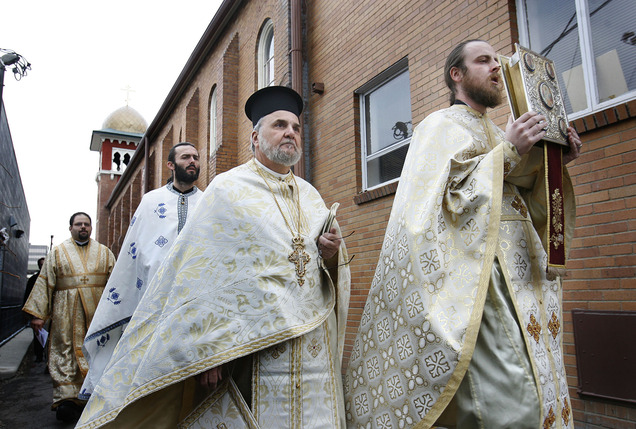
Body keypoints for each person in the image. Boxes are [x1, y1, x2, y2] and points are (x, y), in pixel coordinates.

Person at [77, 86, 351, 429]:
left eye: (296, 127)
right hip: (255, 345)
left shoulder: (311, 196)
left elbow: (325, 271)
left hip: (313, 348)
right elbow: (200, 275)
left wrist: (329, 255)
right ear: (255, 136)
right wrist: (205, 352)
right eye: (280, 125)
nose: (290, 133)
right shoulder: (227, 189)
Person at [345, 39, 582, 428]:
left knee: (541, 386)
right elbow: (439, 203)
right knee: (511, 398)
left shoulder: (496, 130)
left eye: (497, 60)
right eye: (483, 60)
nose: (495, 68)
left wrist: (555, 162)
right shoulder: (438, 126)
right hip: (481, 283)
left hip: (524, 280)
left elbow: (523, 194)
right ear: (457, 75)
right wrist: (507, 152)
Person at [79, 142, 203, 401]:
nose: (192, 161)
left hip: (193, 302)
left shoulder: (206, 202)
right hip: (151, 301)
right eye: (185, 157)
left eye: (196, 157)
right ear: (171, 165)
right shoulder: (151, 202)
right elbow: (133, 253)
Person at [23, 213, 115, 423]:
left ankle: (94, 397)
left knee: (96, 351)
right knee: (65, 351)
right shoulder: (58, 253)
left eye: (86, 224)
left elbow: (116, 283)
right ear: (70, 227)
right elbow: (46, 282)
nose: (83, 227)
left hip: (97, 314)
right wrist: (38, 315)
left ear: (91, 228)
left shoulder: (105, 253)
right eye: (78, 224)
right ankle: (67, 400)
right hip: (66, 314)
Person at [23, 257, 46, 362]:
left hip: (48, 312)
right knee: (38, 334)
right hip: (36, 312)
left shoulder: (51, 278)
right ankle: (39, 356)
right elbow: (28, 295)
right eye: (41, 265)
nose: (42, 267)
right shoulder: (33, 279)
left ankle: (47, 358)